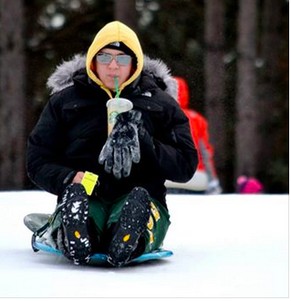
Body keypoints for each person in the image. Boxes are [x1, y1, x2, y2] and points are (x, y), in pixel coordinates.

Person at [26, 21, 198, 267]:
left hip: (141, 192)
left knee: (139, 205)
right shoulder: (64, 101)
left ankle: (130, 234)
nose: (113, 66)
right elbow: (37, 160)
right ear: (93, 61)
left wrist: (143, 139)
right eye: (105, 58)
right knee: (84, 206)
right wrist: (69, 178)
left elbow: (185, 165)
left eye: (122, 59)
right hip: (86, 188)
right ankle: (76, 226)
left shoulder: (161, 104)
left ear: (135, 63)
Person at [165, 76, 222, 194]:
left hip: (168, 177)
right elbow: (205, 153)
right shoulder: (197, 119)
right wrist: (213, 180)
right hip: (196, 177)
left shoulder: (161, 116)